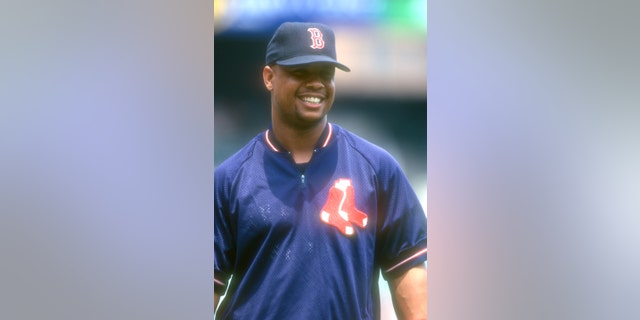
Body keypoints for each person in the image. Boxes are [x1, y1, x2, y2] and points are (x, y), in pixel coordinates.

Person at [214, 21, 427, 320]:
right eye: (301, 73)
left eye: (325, 74)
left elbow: (407, 269)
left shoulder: (377, 169)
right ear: (269, 77)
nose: (316, 84)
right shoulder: (229, 178)